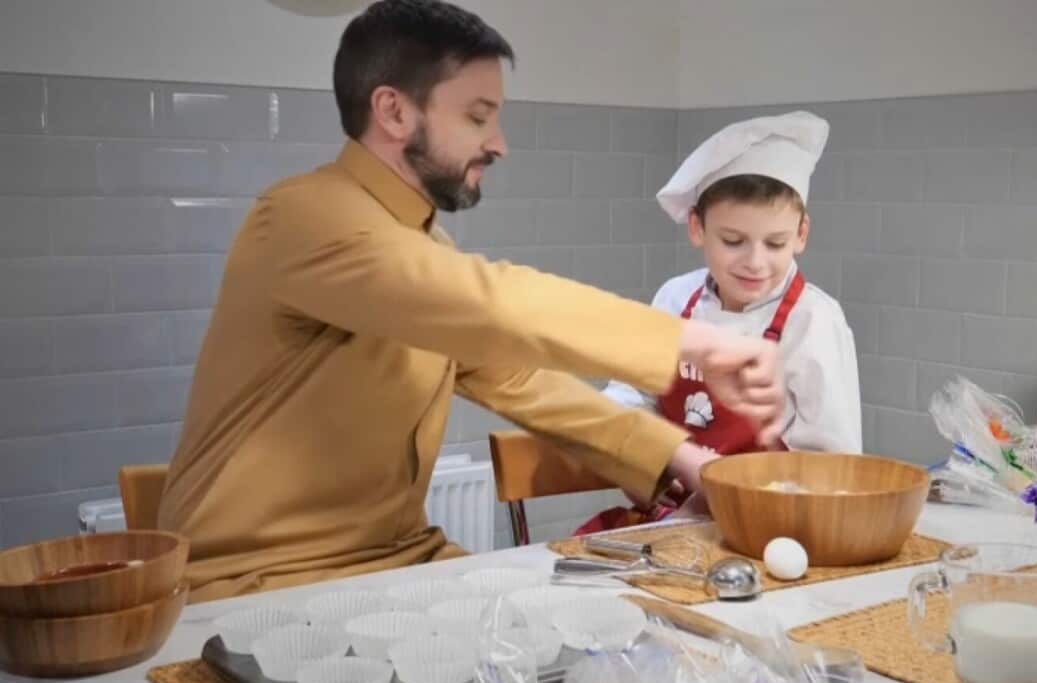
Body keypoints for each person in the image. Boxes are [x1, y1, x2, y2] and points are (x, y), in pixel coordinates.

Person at [157, 0, 785, 602]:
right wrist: (692, 343)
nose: (499, 143)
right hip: (257, 581)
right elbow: (485, 301)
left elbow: (516, 377)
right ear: (394, 112)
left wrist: (681, 456)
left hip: (400, 560)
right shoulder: (299, 217)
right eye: (477, 116)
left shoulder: (423, 244)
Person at [577, 111, 862, 534]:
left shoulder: (814, 320)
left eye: (776, 242)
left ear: (801, 234)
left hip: (770, 528)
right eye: (733, 241)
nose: (755, 261)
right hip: (669, 522)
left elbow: (834, 466)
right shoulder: (676, 299)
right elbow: (628, 398)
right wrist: (646, 461)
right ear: (697, 228)